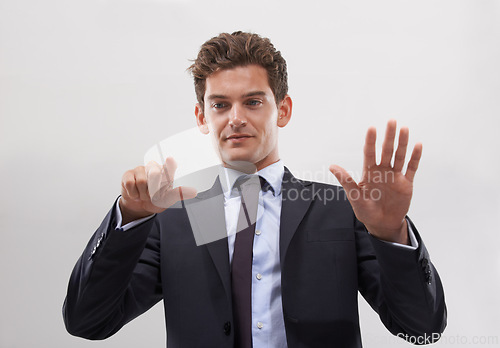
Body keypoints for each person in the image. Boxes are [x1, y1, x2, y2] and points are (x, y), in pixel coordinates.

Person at [63, 31, 446, 347]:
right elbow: (88, 322)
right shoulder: (174, 217)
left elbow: (420, 329)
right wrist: (129, 219)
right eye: (219, 105)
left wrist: (391, 233)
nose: (236, 119)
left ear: (283, 109)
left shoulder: (342, 208)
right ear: (201, 116)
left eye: (252, 102)